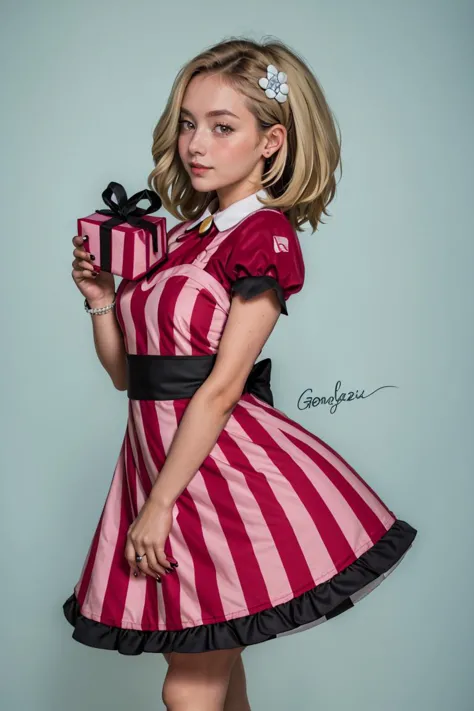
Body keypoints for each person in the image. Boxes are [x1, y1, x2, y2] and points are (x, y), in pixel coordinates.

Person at [64, 37, 417, 711]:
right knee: (215, 674)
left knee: (190, 685)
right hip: (155, 459)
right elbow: (129, 378)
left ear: (271, 141)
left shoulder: (264, 236)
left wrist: (159, 503)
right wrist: (103, 299)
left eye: (223, 127)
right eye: (190, 123)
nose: (197, 143)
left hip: (212, 474)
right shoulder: (178, 238)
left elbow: (222, 387)